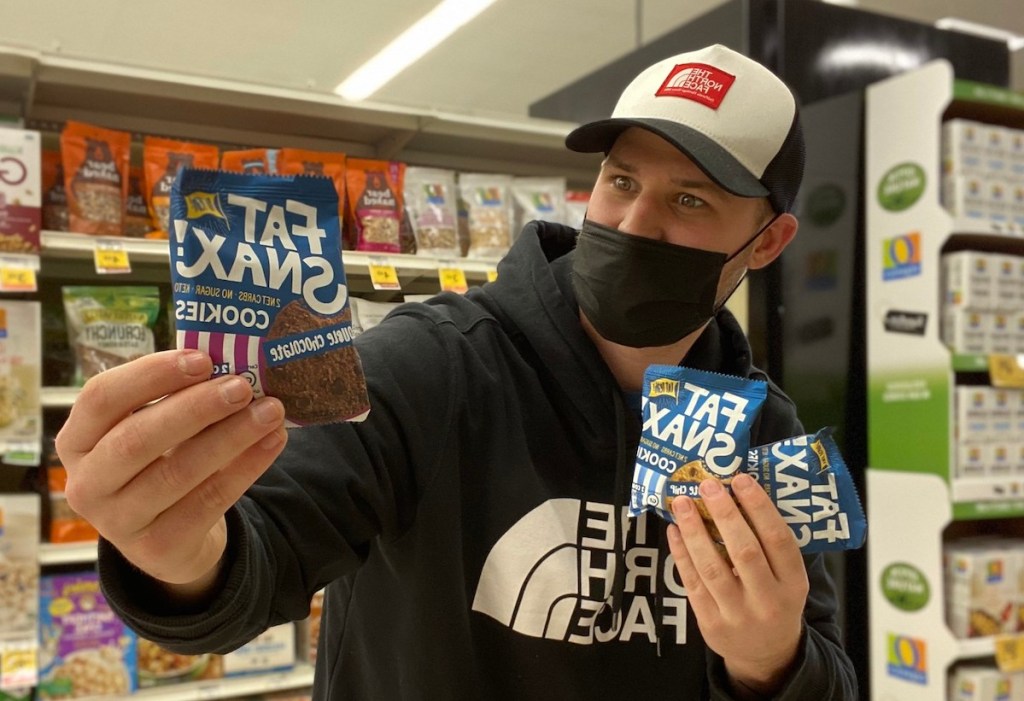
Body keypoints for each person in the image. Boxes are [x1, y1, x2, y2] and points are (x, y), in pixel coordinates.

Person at [56, 44, 858, 700]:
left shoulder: (766, 431)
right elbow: (259, 555)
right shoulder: (430, 364)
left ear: (768, 243)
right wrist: (177, 550)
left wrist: (771, 660)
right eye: (621, 180)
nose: (632, 222)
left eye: (690, 201)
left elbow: (826, 673)